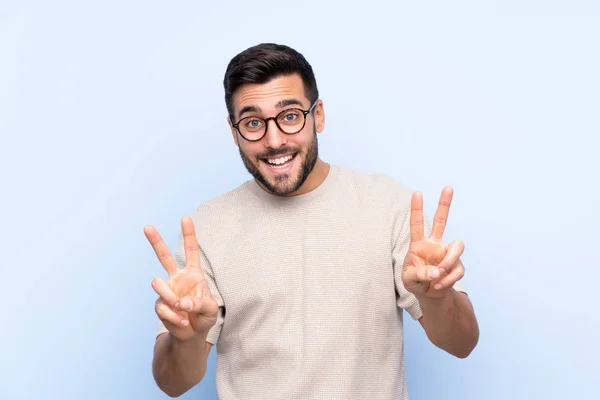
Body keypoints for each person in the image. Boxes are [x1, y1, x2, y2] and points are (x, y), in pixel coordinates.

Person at [144, 43, 479, 399]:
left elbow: (462, 343)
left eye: (290, 116)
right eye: (253, 123)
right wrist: (187, 338)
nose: (274, 141)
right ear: (234, 131)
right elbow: (172, 383)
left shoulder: (388, 205)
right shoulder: (207, 228)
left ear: (317, 115)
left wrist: (438, 299)